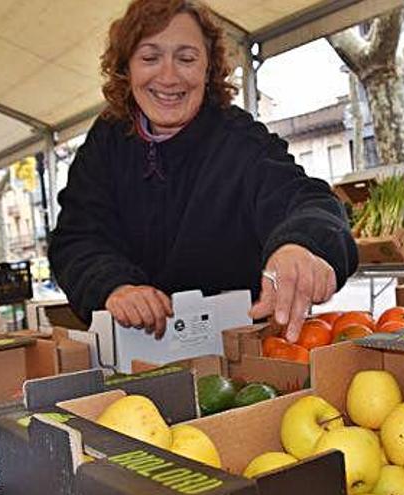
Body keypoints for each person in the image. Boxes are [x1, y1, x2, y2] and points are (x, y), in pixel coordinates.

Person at [49, 0, 357, 342]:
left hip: (238, 353)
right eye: (150, 58)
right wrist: (114, 285)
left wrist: (301, 245)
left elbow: (306, 200)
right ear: (126, 68)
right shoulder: (106, 141)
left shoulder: (239, 140)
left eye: (186, 58)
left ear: (208, 69)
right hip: (134, 353)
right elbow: (76, 238)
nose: (168, 77)